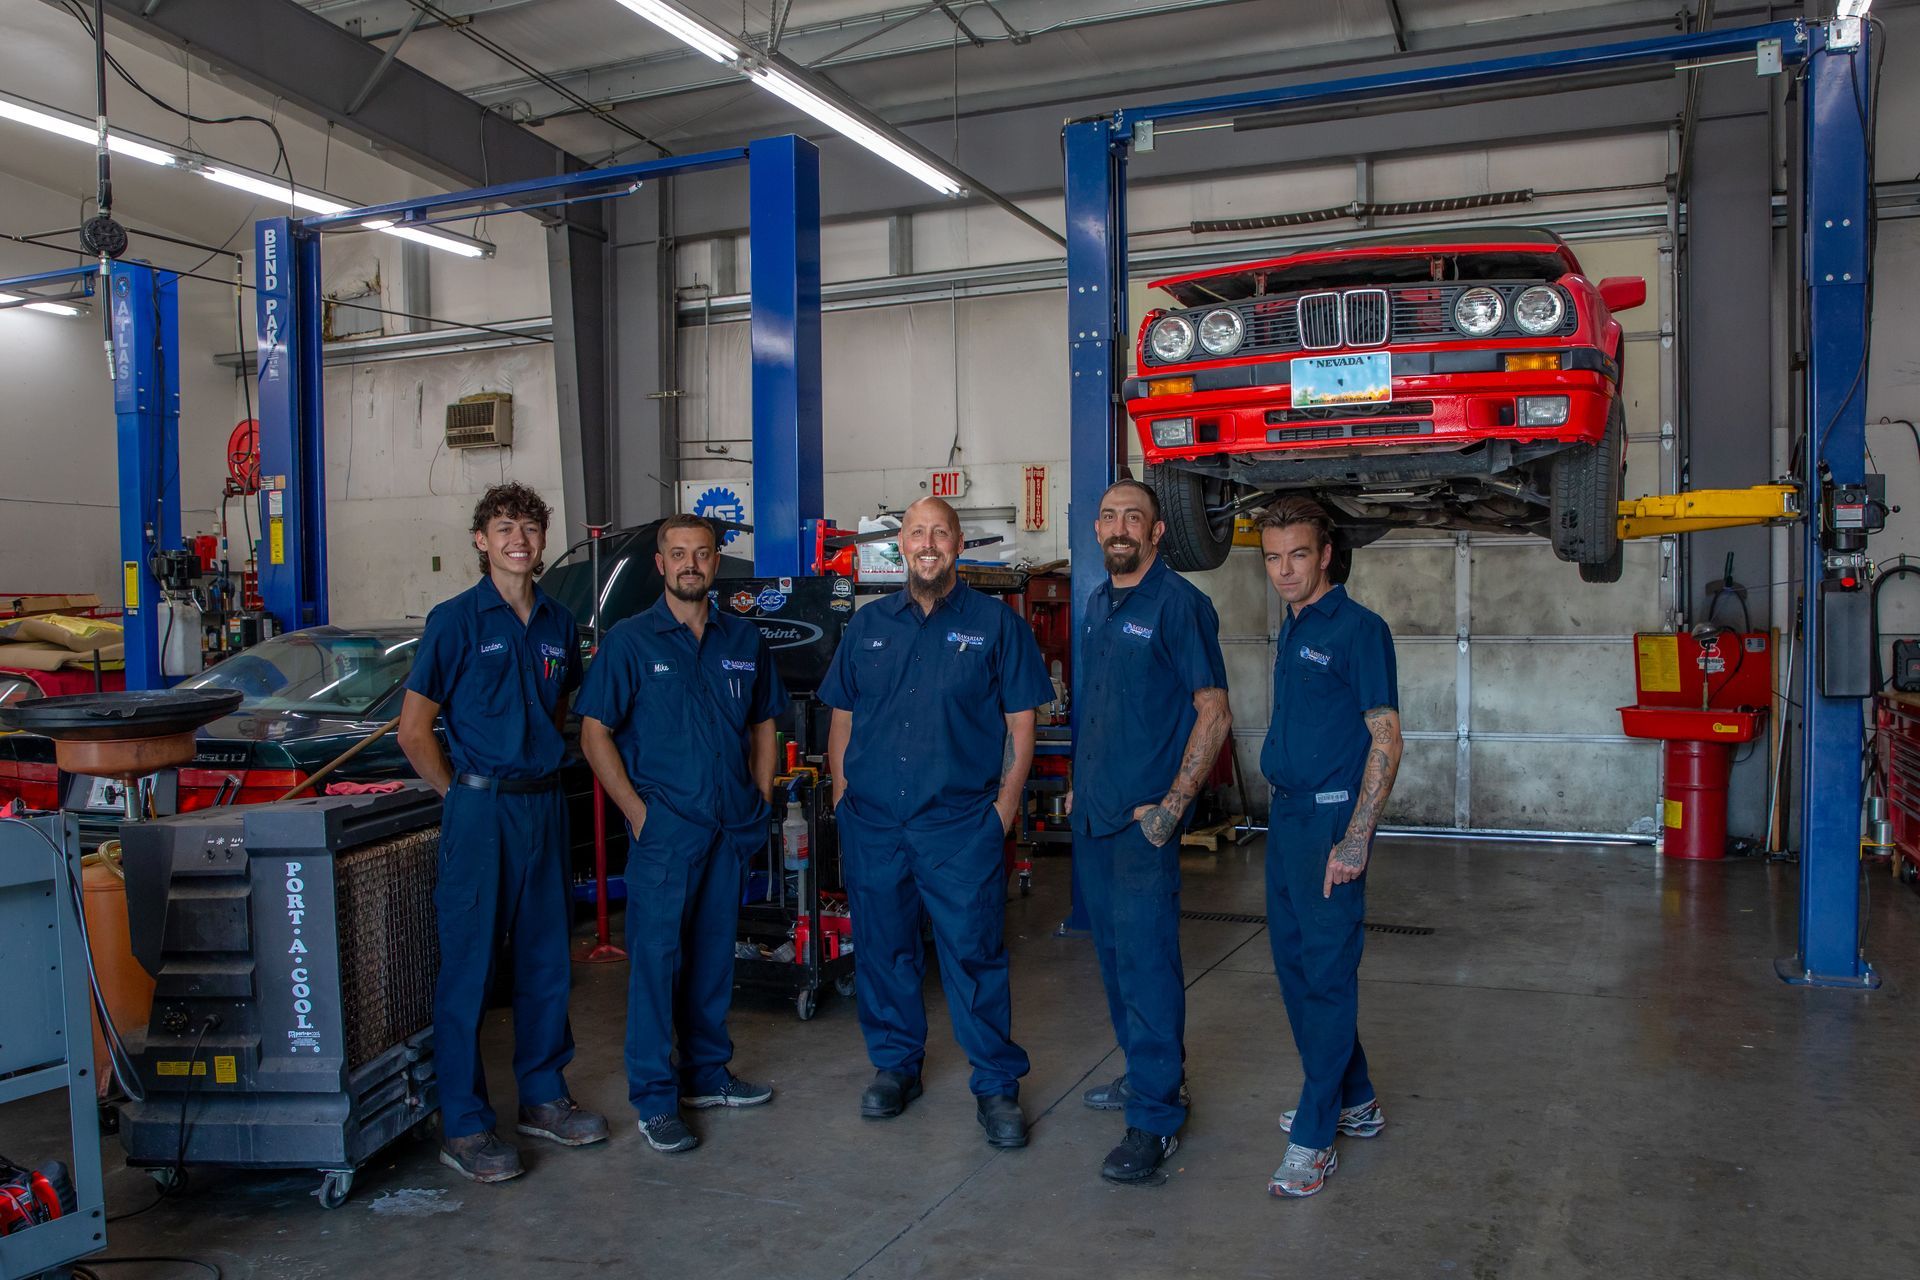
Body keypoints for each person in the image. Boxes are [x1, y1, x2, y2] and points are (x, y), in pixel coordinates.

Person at [818, 496, 1054, 1149]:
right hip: (874, 823)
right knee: (885, 951)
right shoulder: (868, 626)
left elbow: (1021, 722)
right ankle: (896, 1067)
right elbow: (842, 717)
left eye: (939, 533)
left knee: (973, 955)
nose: (928, 543)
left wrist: (1003, 811)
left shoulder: (994, 626)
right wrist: (842, 797)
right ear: (902, 545)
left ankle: (996, 1085)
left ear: (957, 544)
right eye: (917, 533)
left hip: (958, 826)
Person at [397, 482, 609, 1185]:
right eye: (504, 526)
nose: (519, 537)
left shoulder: (556, 622)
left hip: (545, 806)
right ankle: (463, 1124)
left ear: (543, 542)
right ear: (482, 541)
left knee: (549, 960)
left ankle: (543, 1097)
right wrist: (457, 793)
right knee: (469, 968)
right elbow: (414, 730)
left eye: (530, 527)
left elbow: (561, 712)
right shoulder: (454, 621)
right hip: (482, 810)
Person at [575, 514, 788, 1154]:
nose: (690, 563)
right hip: (666, 832)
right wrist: (637, 813)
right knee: (656, 966)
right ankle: (655, 1098)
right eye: (678, 554)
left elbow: (764, 725)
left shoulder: (743, 640)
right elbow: (594, 734)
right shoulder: (630, 642)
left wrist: (761, 794)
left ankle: (706, 1074)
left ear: (715, 564)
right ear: (661, 565)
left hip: (728, 827)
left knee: (713, 958)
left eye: (702, 553)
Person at [1069, 479, 1230, 1184]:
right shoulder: (1099, 604)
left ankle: (1156, 1119)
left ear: (1158, 532)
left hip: (1142, 827)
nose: (1119, 527)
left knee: (1148, 970)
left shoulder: (1181, 605)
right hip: (1094, 820)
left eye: (1134, 516)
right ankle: (1146, 1078)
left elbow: (1213, 711)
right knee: (1113, 965)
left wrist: (1172, 805)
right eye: (1109, 516)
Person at [1256, 496, 1403, 1198]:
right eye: (1273, 558)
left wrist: (1354, 839)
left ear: (1326, 556)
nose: (1285, 571)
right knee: (1296, 970)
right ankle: (1357, 1099)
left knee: (1327, 975)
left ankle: (1315, 1134)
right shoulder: (1291, 627)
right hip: (1284, 822)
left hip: (1328, 825)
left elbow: (1386, 738)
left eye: (1298, 556)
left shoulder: (1357, 629)